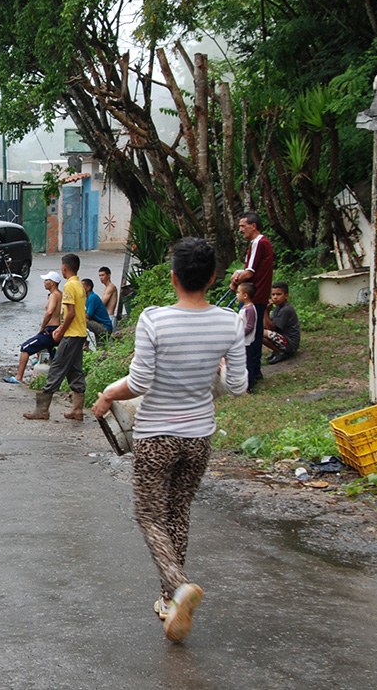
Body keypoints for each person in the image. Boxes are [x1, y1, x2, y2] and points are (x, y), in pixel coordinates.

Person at [92, 238, 247, 643]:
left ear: (174, 277)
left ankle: (178, 586)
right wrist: (221, 363)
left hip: (157, 436)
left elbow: (139, 382)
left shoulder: (154, 320)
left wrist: (108, 393)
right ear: (213, 278)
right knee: (178, 514)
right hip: (199, 437)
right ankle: (169, 601)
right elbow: (237, 386)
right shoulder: (230, 323)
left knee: (149, 516)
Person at [24, 254, 87, 421]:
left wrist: (60, 330)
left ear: (64, 267)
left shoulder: (69, 287)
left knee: (56, 368)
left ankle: (42, 410)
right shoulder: (80, 286)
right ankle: (78, 410)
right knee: (75, 371)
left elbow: (71, 313)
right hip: (80, 334)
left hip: (71, 335)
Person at [229, 212, 274, 392]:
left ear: (253, 226)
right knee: (254, 335)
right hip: (259, 294)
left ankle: (250, 375)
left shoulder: (258, 243)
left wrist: (235, 282)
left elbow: (250, 272)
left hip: (254, 296)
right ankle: (255, 371)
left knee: (248, 337)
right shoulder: (264, 244)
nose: (241, 230)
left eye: (243, 226)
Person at [5, 271, 62, 385]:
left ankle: (19, 377)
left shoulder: (54, 295)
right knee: (49, 353)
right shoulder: (60, 294)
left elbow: (50, 312)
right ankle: (51, 379)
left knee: (25, 347)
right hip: (56, 329)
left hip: (50, 330)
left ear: (53, 283)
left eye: (47, 280)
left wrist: (43, 327)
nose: (44, 282)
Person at [263, 281, 301, 363]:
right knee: (260, 333)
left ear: (286, 296)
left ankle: (282, 353)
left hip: (290, 344)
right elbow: (267, 325)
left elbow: (271, 328)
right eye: (273, 295)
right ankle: (276, 351)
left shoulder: (286, 309)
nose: (275, 297)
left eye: (279, 294)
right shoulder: (278, 307)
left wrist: (266, 311)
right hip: (283, 339)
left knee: (261, 333)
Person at [83, 278, 114, 343]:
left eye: (82, 287)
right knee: (101, 348)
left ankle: (83, 340)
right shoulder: (88, 298)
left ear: (88, 288)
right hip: (100, 324)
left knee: (81, 319)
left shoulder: (92, 297)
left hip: (104, 327)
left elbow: (88, 316)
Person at [236, 282, 258, 355]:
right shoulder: (244, 308)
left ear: (245, 296)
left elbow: (250, 326)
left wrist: (239, 334)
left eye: (238, 292)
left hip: (247, 343)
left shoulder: (249, 309)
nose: (237, 294)